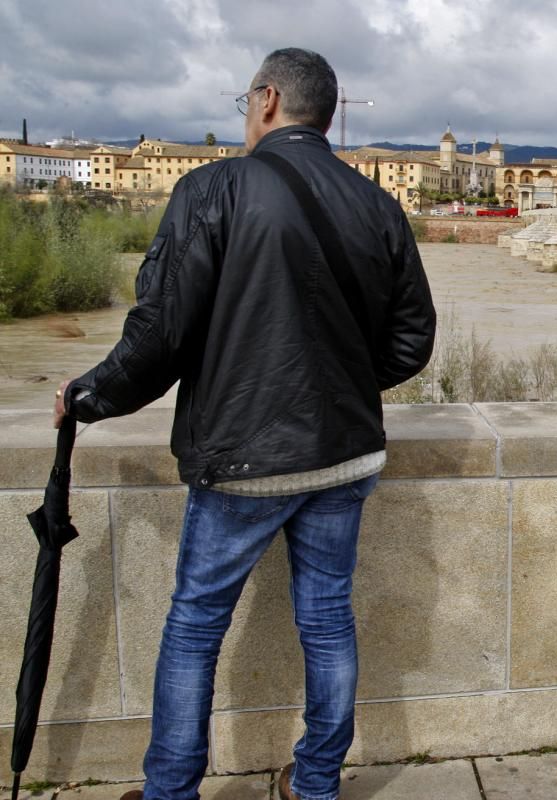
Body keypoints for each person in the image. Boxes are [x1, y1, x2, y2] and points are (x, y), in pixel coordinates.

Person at [52, 48, 436, 800]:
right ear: (324, 115)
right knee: (327, 620)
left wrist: (91, 396)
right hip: (346, 456)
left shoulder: (213, 189)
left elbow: (160, 333)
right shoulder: (378, 207)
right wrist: (344, 387)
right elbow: (411, 341)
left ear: (265, 99)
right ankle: (316, 784)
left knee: (195, 626)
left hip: (242, 457)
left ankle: (170, 792)